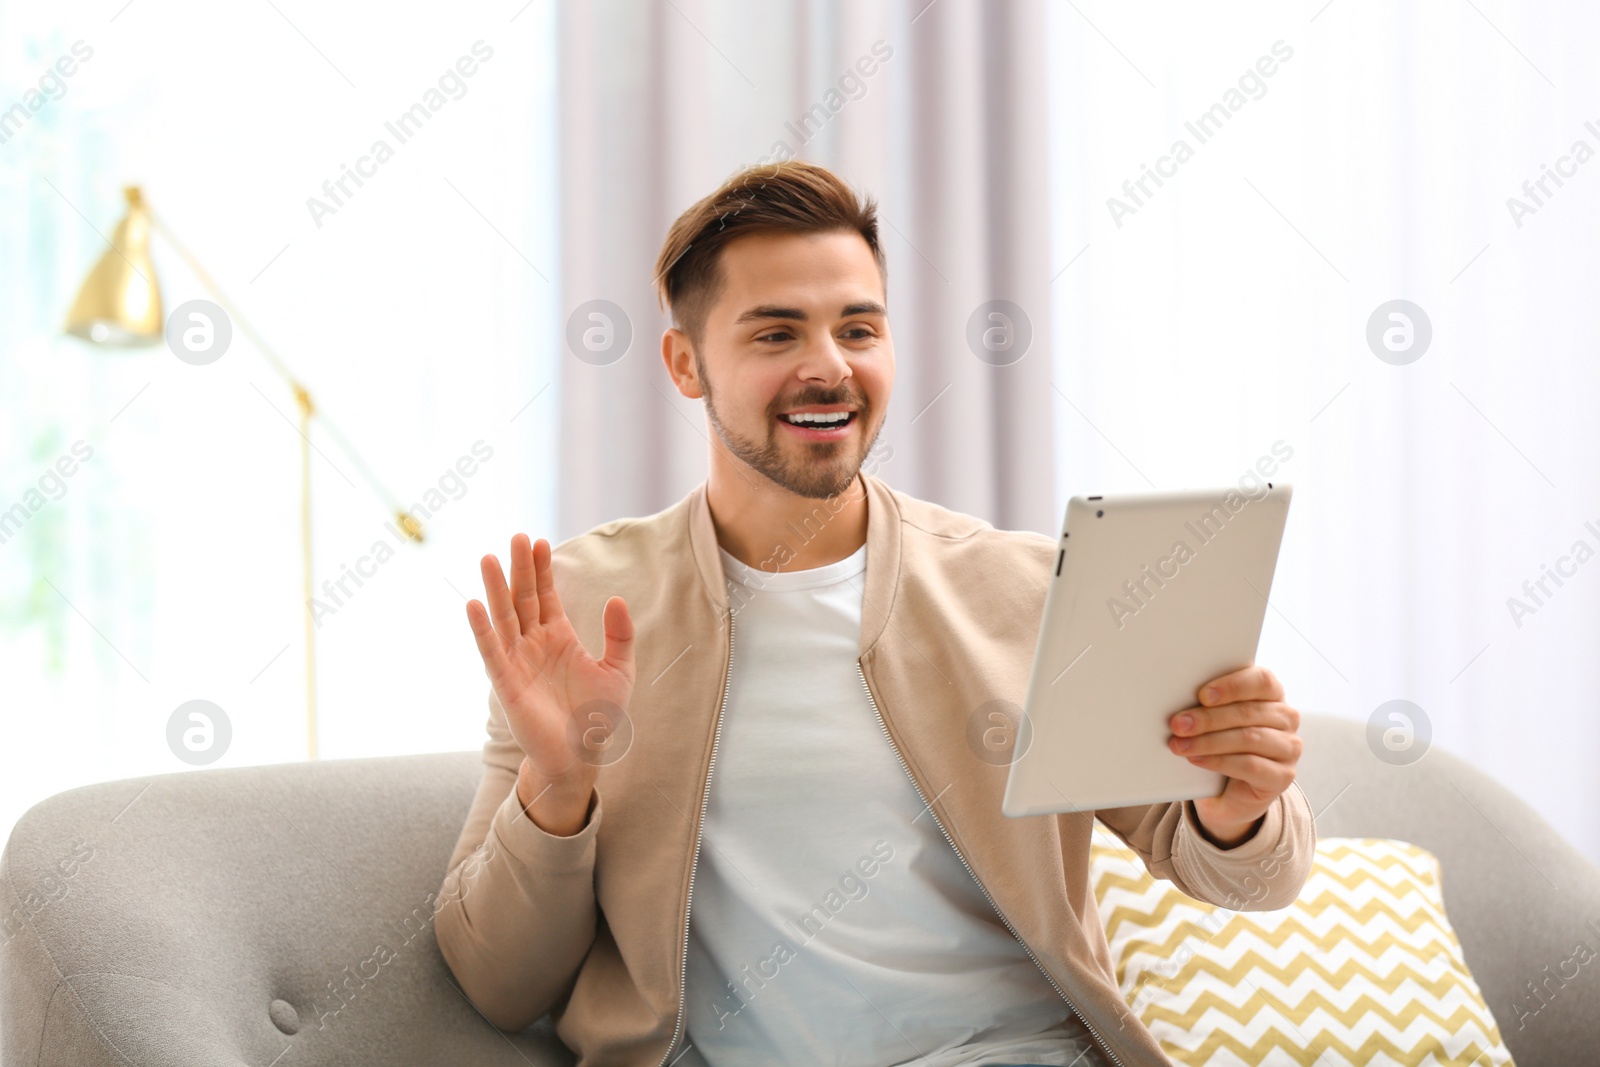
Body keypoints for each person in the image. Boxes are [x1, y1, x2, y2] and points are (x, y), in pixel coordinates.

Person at [435, 160, 1316, 1067]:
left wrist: (1243, 805)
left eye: (859, 327)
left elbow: (1250, 875)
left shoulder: (1024, 588)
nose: (830, 367)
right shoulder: (579, 609)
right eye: (776, 334)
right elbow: (499, 982)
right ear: (686, 362)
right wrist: (559, 784)